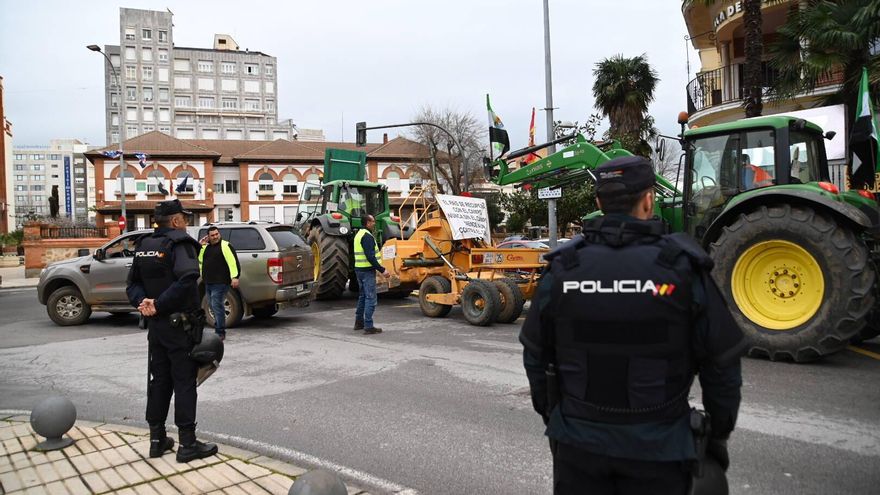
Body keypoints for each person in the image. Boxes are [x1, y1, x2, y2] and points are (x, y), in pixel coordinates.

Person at [520, 156, 746, 494]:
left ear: (599, 203)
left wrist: (556, 417)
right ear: (649, 198)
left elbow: (536, 355)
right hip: (660, 449)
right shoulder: (681, 268)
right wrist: (717, 434)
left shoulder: (564, 268)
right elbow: (722, 365)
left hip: (578, 448)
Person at [127, 199, 219, 463]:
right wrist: (158, 304)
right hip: (180, 326)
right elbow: (188, 278)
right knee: (184, 382)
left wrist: (143, 304)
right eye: (184, 218)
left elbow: (132, 284)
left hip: (156, 327)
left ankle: (157, 440)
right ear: (176, 221)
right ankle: (187, 445)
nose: (186, 222)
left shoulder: (144, 245)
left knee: (160, 381)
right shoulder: (180, 243)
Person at [198, 226, 241, 341]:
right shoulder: (205, 247)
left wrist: (235, 277)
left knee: (216, 305)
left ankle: (220, 332)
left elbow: (233, 262)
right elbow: (199, 260)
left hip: (221, 282)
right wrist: (200, 245)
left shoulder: (225, 246)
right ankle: (219, 326)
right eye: (212, 235)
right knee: (212, 305)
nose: (215, 236)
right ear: (208, 237)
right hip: (208, 281)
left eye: (217, 234)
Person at [353, 214, 391, 334]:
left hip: (359, 270)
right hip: (367, 271)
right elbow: (370, 256)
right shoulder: (367, 236)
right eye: (373, 221)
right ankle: (368, 326)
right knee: (371, 298)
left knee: (363, 296)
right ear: (367, 223)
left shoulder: (358, 234)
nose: (374, 223)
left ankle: (359, 322)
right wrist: (382, 270)